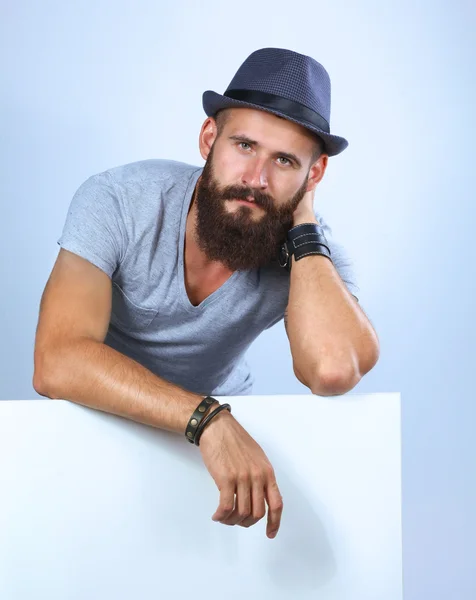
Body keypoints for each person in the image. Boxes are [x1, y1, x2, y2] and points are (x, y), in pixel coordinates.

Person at [33, 47, 380, 540]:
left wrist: (302, 225)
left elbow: (332, 369)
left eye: (285, 161)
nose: (256, 180)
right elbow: (56, 360)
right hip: (99, 419)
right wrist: (206, 418)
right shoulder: (119, 200)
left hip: (215, 451)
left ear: (314, 176)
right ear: (208, 138)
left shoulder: (309, 253)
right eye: (243, 146)